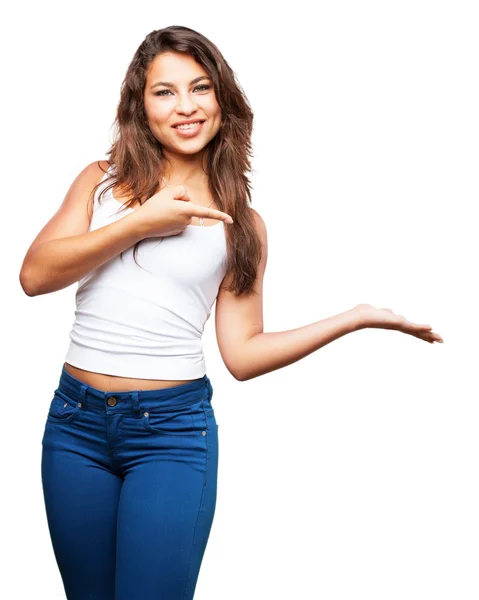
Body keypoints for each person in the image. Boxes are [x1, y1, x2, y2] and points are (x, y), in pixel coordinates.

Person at [19, 25, 444, 600]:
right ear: (140, 107)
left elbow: (242, 355)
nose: (186, 107)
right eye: (164, 92)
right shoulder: (103, 183)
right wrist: (139, 223)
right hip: (75, 427)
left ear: (223, 98)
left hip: (170, 434)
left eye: (200, 88)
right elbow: (34, 275)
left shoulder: (242, 225)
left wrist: (354, 318)